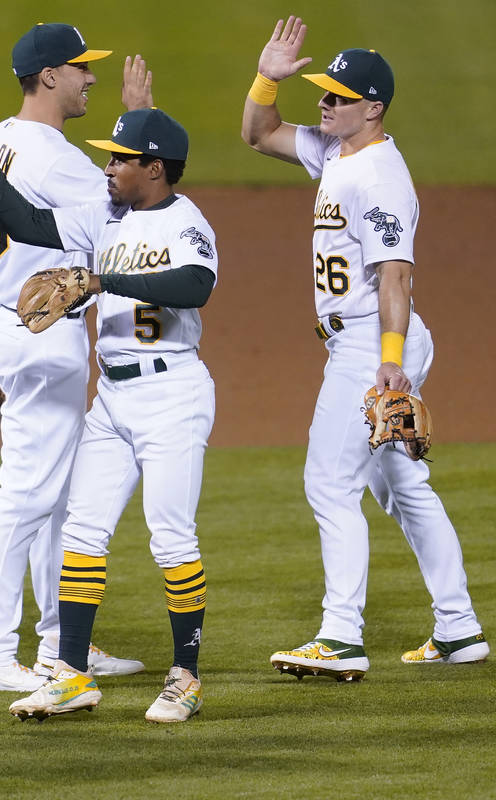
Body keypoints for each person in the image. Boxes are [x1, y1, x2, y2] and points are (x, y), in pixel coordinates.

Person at [241, 17, 487, 680]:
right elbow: (259, 132)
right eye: (323, 93)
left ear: (372, 109)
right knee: (403, 486)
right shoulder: (335, 152)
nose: (323, 103)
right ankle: (459, 629)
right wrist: (269, 75)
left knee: (329, 480)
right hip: (360, 342)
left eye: (338, 97)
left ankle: (341, 634)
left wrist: (389, 359)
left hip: (371, 345)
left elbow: (397, 275)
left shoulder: (381, 176)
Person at [0, 103, 217, 722]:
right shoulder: (101, 216)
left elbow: (194, 286)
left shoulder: (187, 221)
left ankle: (185, 676)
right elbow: (23, 221)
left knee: (170, 536)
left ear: (154, 169)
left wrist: (106, 282)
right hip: (113, 399)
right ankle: (71, 674)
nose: (105, 167)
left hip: (172, 394)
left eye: (118, 159)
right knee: (81, 530)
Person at [0, 22, 145, 693]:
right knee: (29, 496)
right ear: (49, 77)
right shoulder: (55, 158)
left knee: (56, 495)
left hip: (9, 327)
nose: (90, 77)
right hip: (45, 339)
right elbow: (134, 207)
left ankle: (61, 645)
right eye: (80, 68)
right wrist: (138, 121)